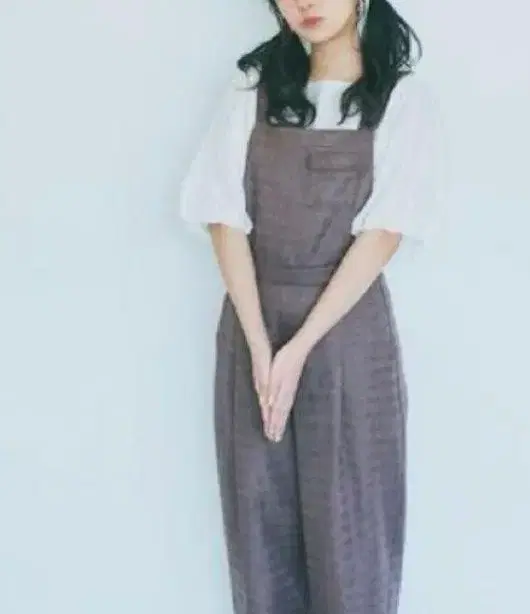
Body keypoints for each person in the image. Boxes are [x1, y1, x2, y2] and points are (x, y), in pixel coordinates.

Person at [179, 0, 442, 612]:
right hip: (253, 329)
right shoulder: (251, 90)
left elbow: (384, 232)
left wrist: (297, 348)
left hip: (348, 335)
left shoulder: (401, 100)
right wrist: (259, 346)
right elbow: (223, 218)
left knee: (351, 531)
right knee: (259, 528)